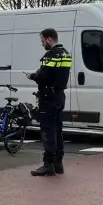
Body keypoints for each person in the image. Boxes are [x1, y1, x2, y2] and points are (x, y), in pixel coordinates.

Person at [27, 28, 72, 176]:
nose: (42, 44)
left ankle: (48, 164)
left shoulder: (50, 56)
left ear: (48, 39)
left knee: (47, 130)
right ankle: (58, 163)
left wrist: (33, 76)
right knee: (58, 130)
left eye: (42, 41)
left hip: (48, 97)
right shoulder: (66, 54)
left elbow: (43, 76)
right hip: (60, 96)